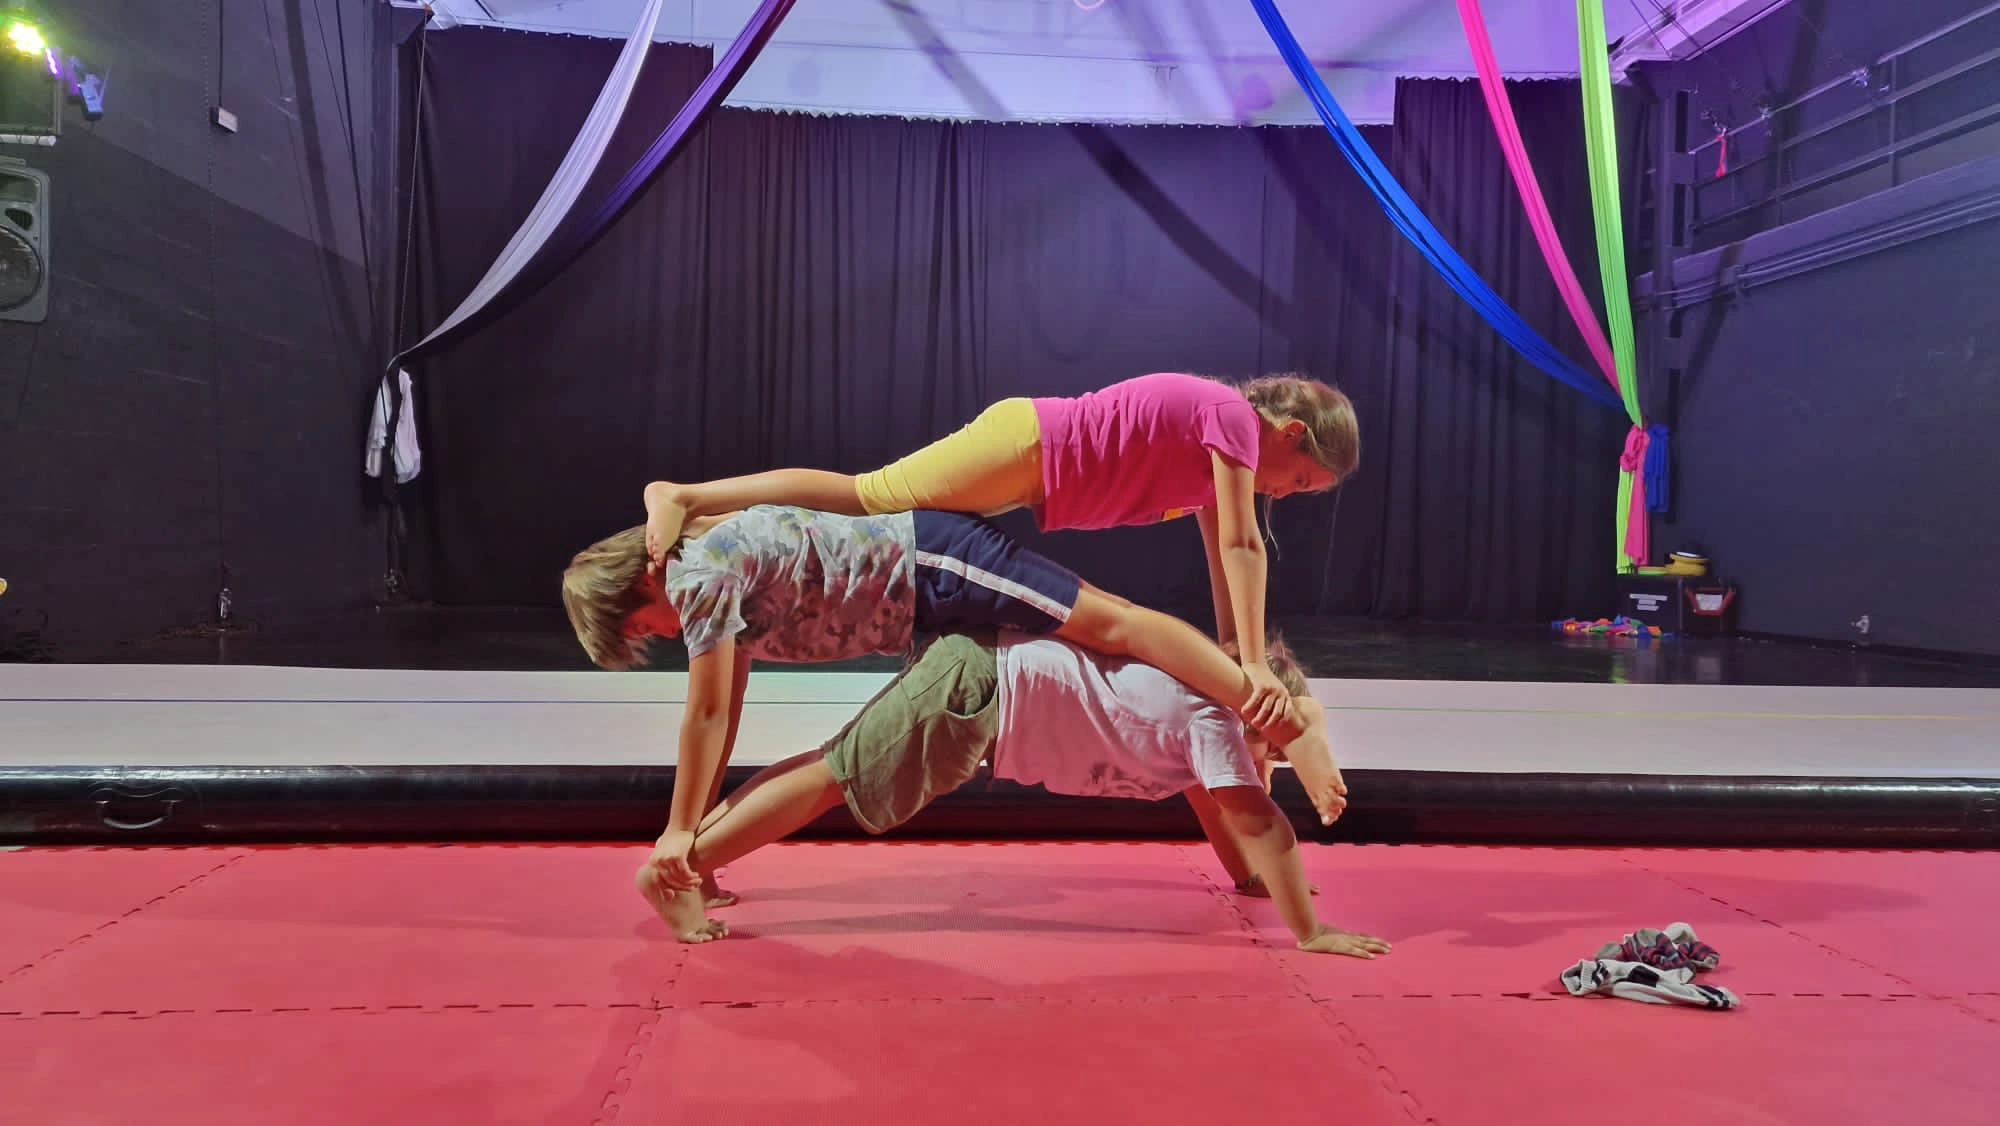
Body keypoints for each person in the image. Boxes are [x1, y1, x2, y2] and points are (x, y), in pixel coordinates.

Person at [561, 504, 1312, 900]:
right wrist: (688, 839)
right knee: (1113, 638)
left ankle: (1254, 700)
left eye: (640, 627)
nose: (657, 635)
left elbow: (705, 717)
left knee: (1115, 626)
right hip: (927, 603)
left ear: (645, 585)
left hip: (934, 566)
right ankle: (693, 871)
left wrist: (676, 830)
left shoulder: (700, 573)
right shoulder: (719, 582)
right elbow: (721, 718)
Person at [639, 372, 1358, 730]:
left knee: (873, 506)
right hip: (1028, 445)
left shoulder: (1217, 458)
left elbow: (1220, 554)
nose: (1286, 495)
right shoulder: (1232, 419)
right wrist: (1257, 667)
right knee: (866, 496)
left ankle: (708, 518)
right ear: (1290, 433)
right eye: (1298, 481)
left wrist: (1237, 647)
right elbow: (1243, 544)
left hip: (1028, 467)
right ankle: (688, 495)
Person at [637, 629, 1386, 960]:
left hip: (978, 686)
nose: (1267, 767)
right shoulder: (1217, 716)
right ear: (1261, 719)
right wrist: (1310, 932)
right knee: (834, 778)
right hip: (978, 688)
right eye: (1274, 751)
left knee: (833, 773)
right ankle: (676, 868)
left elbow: (1219, 812)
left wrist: (1251, 884)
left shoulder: (1202, 728)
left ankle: (694, 860)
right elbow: (1257, 818)